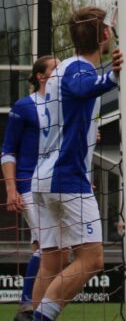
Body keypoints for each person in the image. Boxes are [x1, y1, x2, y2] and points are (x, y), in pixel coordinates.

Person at [31, 7, 122, 321]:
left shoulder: (63, 68)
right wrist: (113, 76)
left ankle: (29, 314)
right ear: (106, 34)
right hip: (65, 176)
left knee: (52, 262)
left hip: (47, 177)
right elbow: (83, 87)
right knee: (92, 260)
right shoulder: (78, 69)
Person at [2, 55, 57, 321]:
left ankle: (35, 307)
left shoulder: (63, 106)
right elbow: (7, 150)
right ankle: (27, 305)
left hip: (56, 185)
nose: (62, 71)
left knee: (47, 247)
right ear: (40, 76)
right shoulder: (24, 106)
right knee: (47, 245)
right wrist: (11, 189)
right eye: (55, 68)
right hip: (28, 184)